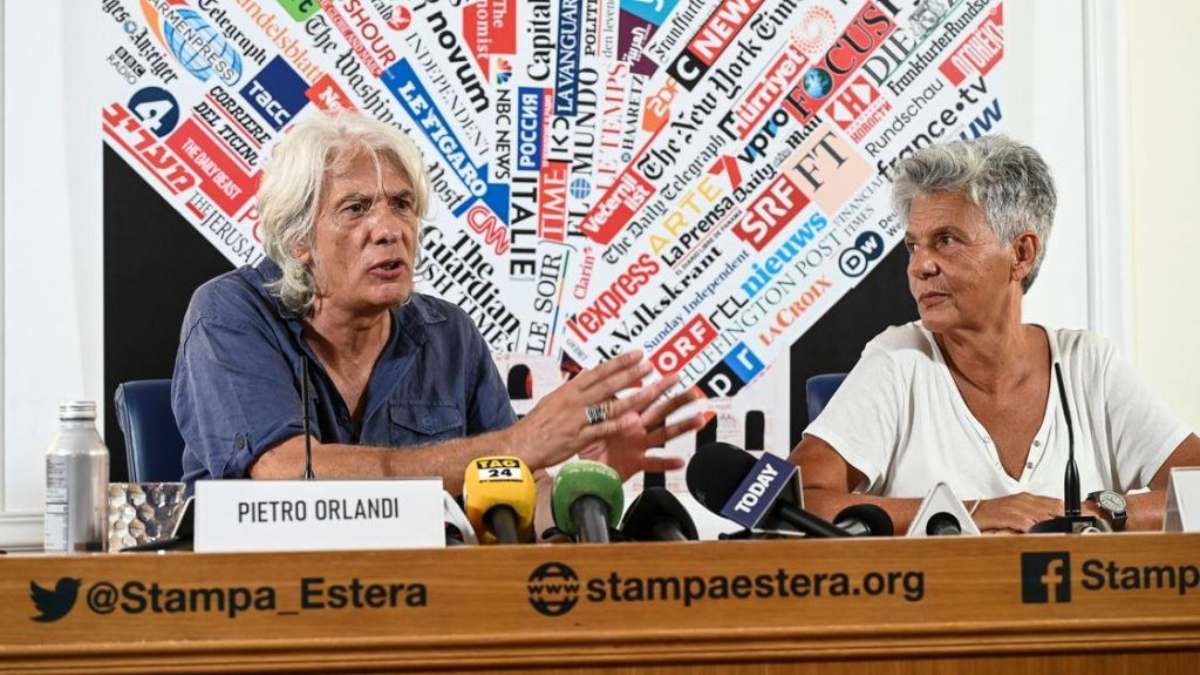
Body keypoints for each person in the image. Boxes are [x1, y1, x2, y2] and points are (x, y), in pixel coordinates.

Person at [173, 112, 702, 494]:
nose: (389, 230)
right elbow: (287, 474)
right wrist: (516, 446)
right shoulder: (230, 313)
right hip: (266, 597)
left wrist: (586, 485)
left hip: (420, 595)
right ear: (298, 239)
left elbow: (518, 498)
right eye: (356, 209)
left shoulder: (448, 334)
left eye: (402, 205)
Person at [790, 136, 1199, 533]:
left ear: (1021, 253)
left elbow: (1195, 485)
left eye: (946, 240)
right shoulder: (899, 359)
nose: (919, 267)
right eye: (914, 246)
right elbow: (800, 500)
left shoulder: (1087, 364)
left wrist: (1088, 516)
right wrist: (975, 513)